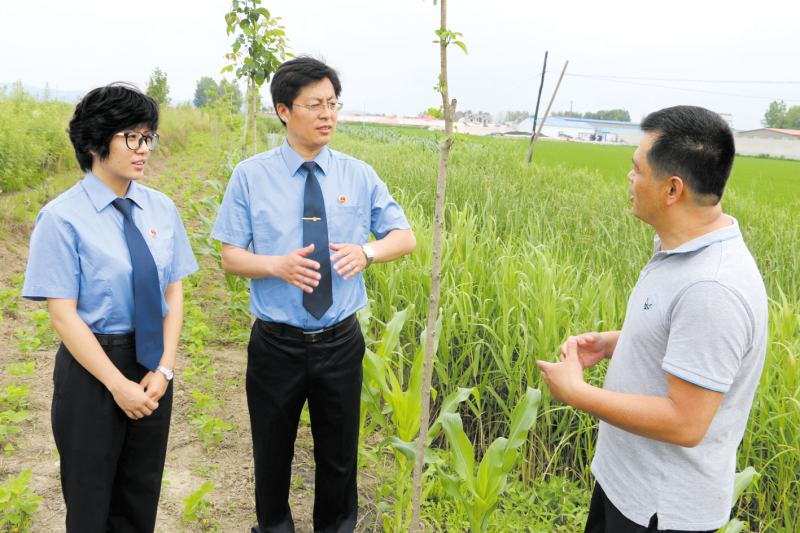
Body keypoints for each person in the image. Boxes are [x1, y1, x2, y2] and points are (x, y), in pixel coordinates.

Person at [537, 106, 767, 532]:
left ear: (672, 189)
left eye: (637, 169)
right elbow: (678, 337)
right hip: (625, 486)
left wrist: (577, 393)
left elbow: (686, 422)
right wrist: (612, 343)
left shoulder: (712, 288)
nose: (629, 177)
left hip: (660, 511)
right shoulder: (680, 247)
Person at [211, 56, 416, 533]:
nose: (327, 115)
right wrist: (276, 266)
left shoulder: (358, 175)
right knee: (271, 452)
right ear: (283, 111)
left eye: (332, 103)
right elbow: (230, 257)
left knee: (339, 456)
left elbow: (404, 237)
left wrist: (367, 252)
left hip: (340, 342)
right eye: (314, 105)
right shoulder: (250, 176)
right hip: (276, 344)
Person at [22, 83, 198, 532]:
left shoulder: (161, 208)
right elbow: (63, 315)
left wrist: (164, 369)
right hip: (93, 370)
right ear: (96, 142)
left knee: (140, 496)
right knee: (90, 500)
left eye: (149, 136)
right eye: (132, 137)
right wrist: (117, 385)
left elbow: (173, 292)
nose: (144, 149)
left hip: (151, 365)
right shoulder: (61, 218)